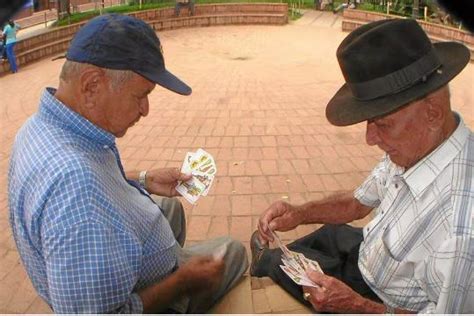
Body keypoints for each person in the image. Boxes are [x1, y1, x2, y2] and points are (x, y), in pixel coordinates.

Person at [8, 14, 248, 313]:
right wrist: (181, 282)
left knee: (169, 207)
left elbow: (92, 182)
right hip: (137, 293)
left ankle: (172, 258)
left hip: (110, 254)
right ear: (92, 85)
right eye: (141, 95)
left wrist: (143, 180)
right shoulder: (76, 191)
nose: (146, 109)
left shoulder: (41, 128)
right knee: (234, 251)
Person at [250, 18, 472, 313]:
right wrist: (300, 213)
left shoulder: (463, 229)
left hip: (377, 300)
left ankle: (262, 262)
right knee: (311, 245)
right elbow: (358, 202)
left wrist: (358, 306)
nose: (370, 138)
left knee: (270, 264)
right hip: (364, 248)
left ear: (432, 113)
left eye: (382, 123)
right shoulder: (416, 144)